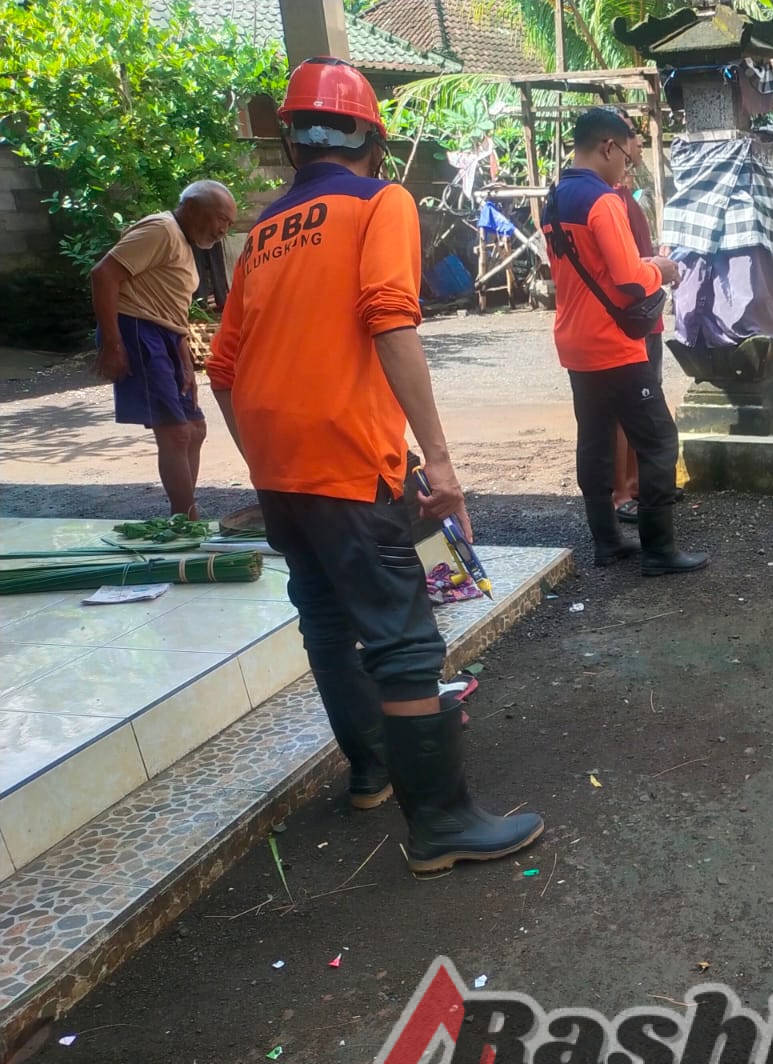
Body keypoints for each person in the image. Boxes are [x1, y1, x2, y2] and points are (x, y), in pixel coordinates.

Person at [207, 57, 541, 876]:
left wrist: (265, 456)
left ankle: (371, 774)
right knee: (401, 640)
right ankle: (441, 825)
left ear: (292, 143)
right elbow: (391, 319)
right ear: (373, 142)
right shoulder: (380, 201)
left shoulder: (259, 237)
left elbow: (221, 367)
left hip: (279, 470)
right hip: (351, 460)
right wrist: (441, 459)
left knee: (325, 619)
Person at [541, 107, 707, 575]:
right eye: (626, 159)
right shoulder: (603, 201)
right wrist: (661, 268)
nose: (626, 168)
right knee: (657, 440)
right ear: (607, 147)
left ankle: (608, 542)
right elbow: (630, 279)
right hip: (614, 344)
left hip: (575, 342)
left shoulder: (555, 199)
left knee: (593, 439)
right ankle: (659, 550)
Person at [90, 180, 237, 518]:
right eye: (220, 219)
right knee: (175, 432)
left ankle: (183, 515)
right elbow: (103, 275)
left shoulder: (183, 244)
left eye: (228, 224)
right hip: (138, 329)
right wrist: (113, 344)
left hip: (167, 337)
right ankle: (186, 517)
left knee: (195, 429)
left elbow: (174, 313)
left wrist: (186, 365)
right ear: (191, 208)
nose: (222, 231)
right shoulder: (162, 229)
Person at [610, 181, 663, 527]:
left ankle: (636, 481)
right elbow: (625, 269)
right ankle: (621, 491)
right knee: (624, 409)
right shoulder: (607, 201)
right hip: (630, 319)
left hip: (646, 318)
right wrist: (658, 268)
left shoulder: (625, 196)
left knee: (644, 404)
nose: (636, 146)